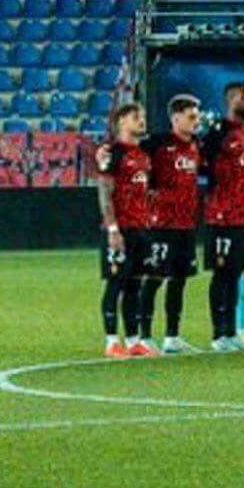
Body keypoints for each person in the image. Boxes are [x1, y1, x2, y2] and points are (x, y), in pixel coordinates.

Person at [143, 92, 207, 354]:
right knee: (155, 277)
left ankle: (172, 336)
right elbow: (127, 156)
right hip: (161, 224)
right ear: (175, 118)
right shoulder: (157, 143)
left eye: (197, 117)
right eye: (191, 117)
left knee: (179, 278)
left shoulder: (196, 147)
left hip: (186, 223)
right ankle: (144, 336)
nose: (196, 122)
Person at [200, 83, 244, 352]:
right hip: (222, 215)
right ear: (233, 99)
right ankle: (218, 334)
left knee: (237, 273)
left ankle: (232, 330)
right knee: (222, 274)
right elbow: (202, 162)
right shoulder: (219, 132)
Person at [97, 104, 152, 358]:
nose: (141, 121)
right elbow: (104, 191)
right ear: (121, 122)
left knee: (134, 285)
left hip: (140, 227)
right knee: (115, 283)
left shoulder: (142, 155)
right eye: (135, 117)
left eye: (142, 116)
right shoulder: (112, 153)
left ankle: (133, 341)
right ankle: (111, 341)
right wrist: (112, 228)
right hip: (120, 229)